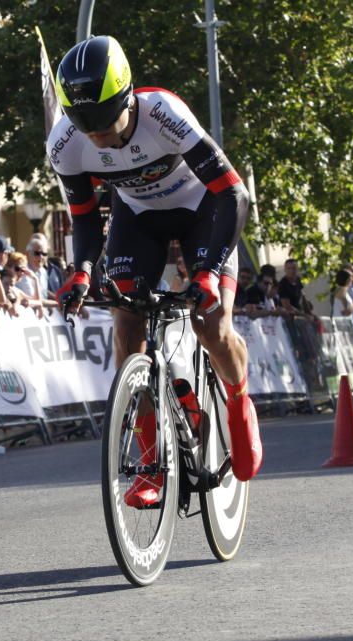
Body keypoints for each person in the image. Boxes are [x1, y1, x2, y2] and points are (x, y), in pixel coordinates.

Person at [47, 35, 261, 504]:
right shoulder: (65, 144)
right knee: (126, 322)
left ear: (126, 98)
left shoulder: (162, 113)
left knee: (210, 323)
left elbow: (232, 194)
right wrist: (81, 272)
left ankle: (239, 402)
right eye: (86, 126)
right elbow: (85, 221)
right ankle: (149, 463)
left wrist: (204, 271)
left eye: (105, 122)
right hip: (138, 218)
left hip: (204, 209)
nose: (98, 137)